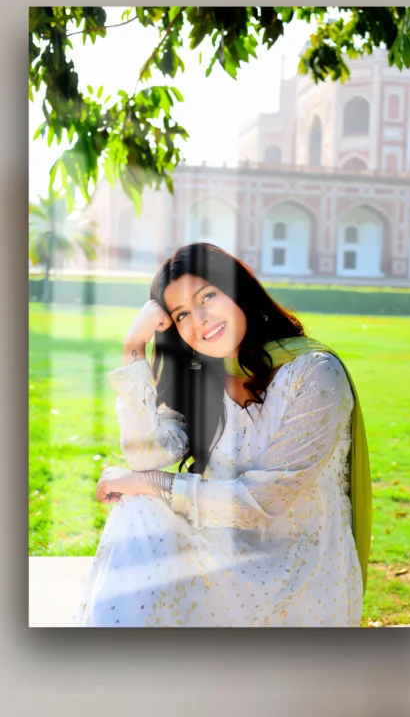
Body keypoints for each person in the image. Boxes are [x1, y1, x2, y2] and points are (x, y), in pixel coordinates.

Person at [73, 242, 371, 628]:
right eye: (181, 314)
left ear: (238, 292)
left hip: (300, 573)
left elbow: (261, 502)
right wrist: (134, 348)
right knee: (138, 509)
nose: (199, 320)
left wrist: (146, 482)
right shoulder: (207, 380)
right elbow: (144, 457)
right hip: (225, 549)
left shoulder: (314, 372)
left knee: (143, 499)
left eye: (208, 297)